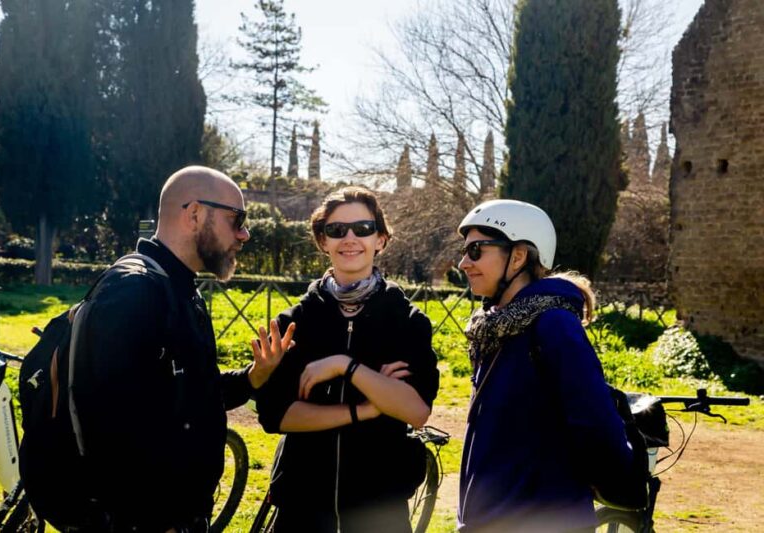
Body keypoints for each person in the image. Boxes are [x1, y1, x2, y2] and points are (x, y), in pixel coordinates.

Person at [70, 166, 294, 531]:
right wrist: (157, 519)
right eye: (237, 219)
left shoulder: (179, 290)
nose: (245, 234)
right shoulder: (134, 292)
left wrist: (254, 377)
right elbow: (106, 428)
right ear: (194, 214)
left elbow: (190, 395)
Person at [255, 186, 440, 533]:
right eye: (336, 230)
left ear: (381, 239)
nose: (349, 238)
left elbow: (415, 411)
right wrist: (369, 407)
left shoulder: (407, 321)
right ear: (323, 241)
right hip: (302, 506)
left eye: (363, 228)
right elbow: (276, 415)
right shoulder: (294, 321)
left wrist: (345, 366)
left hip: (379, 509)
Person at [455, 199, 633, 533]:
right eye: (464, 251)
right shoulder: (493, 327)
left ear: (519, 256)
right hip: (487, 519)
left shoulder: (553, 325)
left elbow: (596, 422)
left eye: (477, 250)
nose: (464, 262)